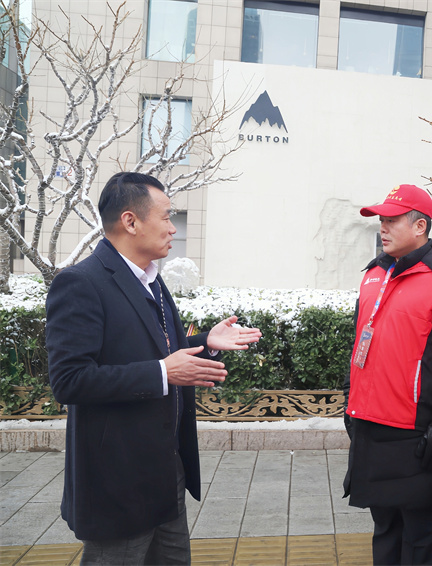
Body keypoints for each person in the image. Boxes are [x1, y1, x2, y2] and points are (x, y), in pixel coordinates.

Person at [46, 172, 262, 565]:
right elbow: (69, 380)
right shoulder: (81, 283)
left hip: (166, 472)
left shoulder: (152, 282)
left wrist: (207, 344)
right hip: (118, 481)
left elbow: (163, 353)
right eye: (166, 217)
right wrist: (162, 373)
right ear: (130, 221)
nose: (172, 228)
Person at [343, 184, 432, 565]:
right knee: (384, 526)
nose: (382, 228)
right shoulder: (375, 273)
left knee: (418, 530)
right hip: (370, 424)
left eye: (392, 220)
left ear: (420, 226)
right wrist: (350, 402)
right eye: (381, 220)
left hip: (416, 430)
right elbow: (359, 344)